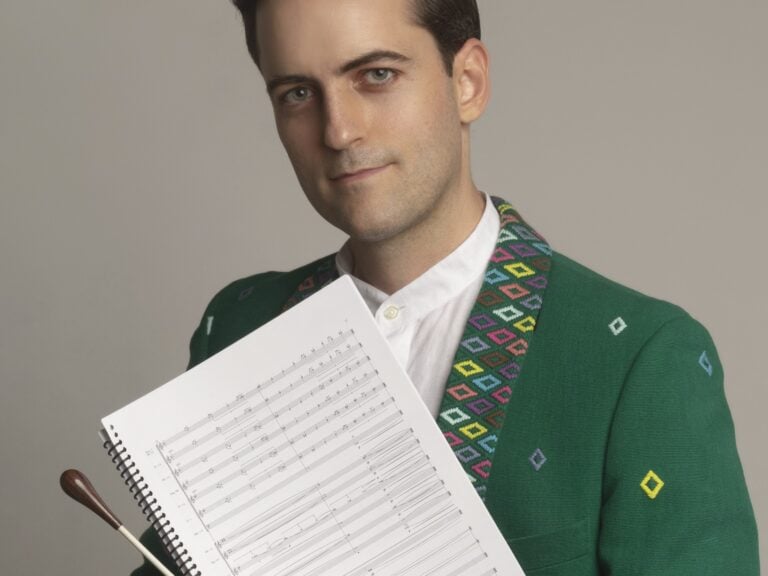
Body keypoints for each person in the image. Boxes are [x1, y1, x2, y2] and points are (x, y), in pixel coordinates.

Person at [133, 0, 759, 574]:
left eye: (376, 75)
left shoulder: (641, 359)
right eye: (298, 93)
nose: (338, 131)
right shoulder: (240, 326)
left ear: (468, 82)